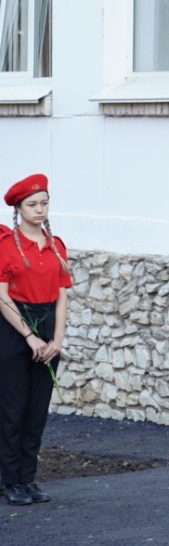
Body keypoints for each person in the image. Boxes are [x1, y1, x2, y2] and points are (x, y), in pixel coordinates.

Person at [0, 174, 70, 507]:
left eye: (44, 203)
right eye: (32, 204)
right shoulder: (5, 245)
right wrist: (29, 336)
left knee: (36, 411)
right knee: (13, 410)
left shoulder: (56, 246)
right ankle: (10, 480)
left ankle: (27, 478)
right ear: (18, 209)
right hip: (15, 328)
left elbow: (62, 296)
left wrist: (56, 340)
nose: (39, 209)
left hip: (47, 326)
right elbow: (1, 296)